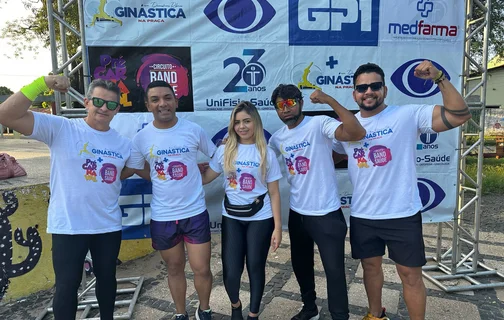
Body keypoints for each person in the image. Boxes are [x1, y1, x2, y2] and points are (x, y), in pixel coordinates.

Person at [331, 61, 471, 320]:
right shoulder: (347, 128)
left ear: (384, 89)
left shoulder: (407, 115)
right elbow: (331, 156)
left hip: (402, 213)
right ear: (354, 94)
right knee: (370, 269)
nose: (368, 92)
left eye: (374, 86)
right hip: (364, 214)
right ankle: (375, 315)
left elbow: (460, 115)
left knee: (411, 276)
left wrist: (439, 78)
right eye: (362, 88)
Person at [0, 76, 135, 320]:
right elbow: (5, 115)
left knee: (107, 279)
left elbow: (125, 171)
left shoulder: (123, 143)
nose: (104, 108)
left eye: (111, 105)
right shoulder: (62, 128)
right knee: (66, 286)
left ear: (118, 109)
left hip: (107, 224)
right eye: (98, 101)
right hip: (69, 225)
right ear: (86, 102)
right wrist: (42, 83)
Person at [268, 84, 366, 320]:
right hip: (297, 213)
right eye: (280, 105)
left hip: (326, 213)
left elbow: (355, 133)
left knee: (334, 271)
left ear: (300, 102)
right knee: (301, 267)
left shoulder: (319, 123)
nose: (286, 109)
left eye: (290, 102)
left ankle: (339, 316)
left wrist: (328, 99)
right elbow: (258, 160)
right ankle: (310, 309)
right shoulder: (278, 138)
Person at [122, 81, 216, 320]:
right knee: (174, 268)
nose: (162, 103)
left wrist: (201, 178)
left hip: (194, 212)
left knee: (202, 268)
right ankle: (180, 313)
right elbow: (135, 168)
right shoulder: (141, 138)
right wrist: (155, 175)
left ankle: (204, 310)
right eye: (155, 99)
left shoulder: (193, 130)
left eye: (167, 98)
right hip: (163, 216)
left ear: (175, 101)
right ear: (148, 105)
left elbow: (217, 156)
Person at [201, 101, 282, 320]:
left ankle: (253, 314)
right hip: (231, 217)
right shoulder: (224, 151)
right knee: (231, 271)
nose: (242, 126)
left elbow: (274, 193)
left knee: (255, 267)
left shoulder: (267, 153)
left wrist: (277, 227)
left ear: (255, 122)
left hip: (261, 217)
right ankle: (235, 306)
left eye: (246, 121)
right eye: (237, 122)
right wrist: (181, 176)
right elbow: (207, 178)